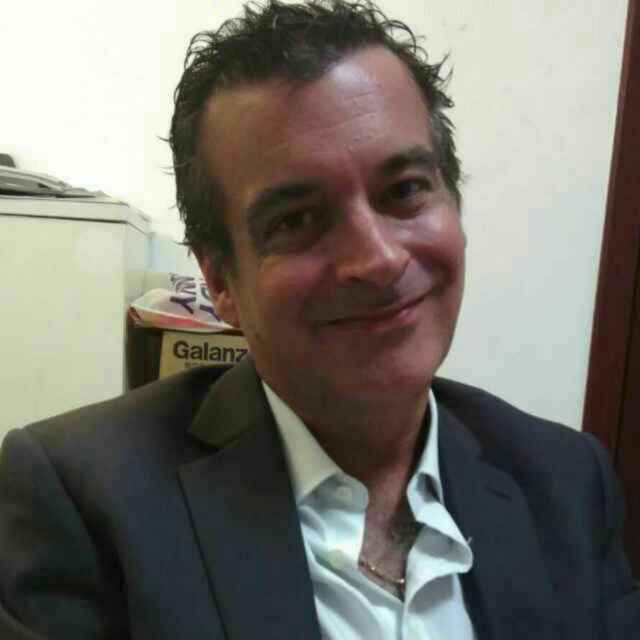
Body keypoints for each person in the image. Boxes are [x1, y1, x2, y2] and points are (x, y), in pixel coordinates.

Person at [1, 1, 638, 638]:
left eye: (405, 190)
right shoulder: (81, 502)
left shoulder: (566, 482)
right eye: (298, 220)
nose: (379, 260)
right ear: (221, 281)